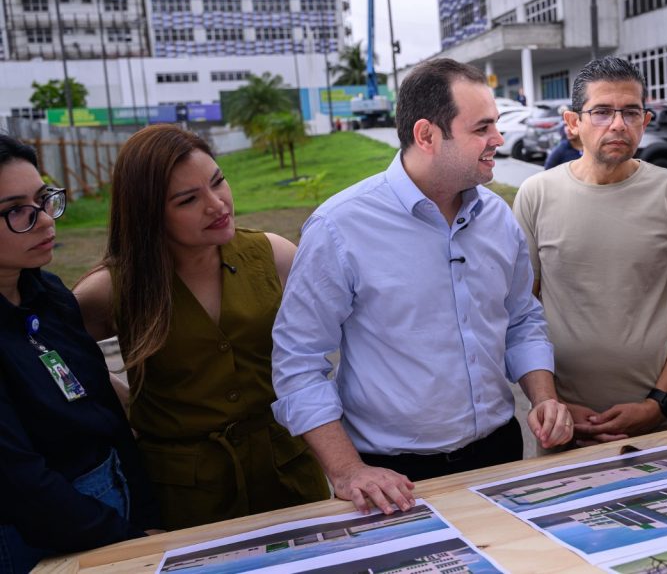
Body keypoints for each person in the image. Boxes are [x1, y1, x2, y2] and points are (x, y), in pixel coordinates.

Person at [271, 58, 572, 515]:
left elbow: (521, 320)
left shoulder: (497, 219)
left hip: (499, 455)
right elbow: (297, 362)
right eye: (482, 128)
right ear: (426, 135)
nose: (499, 139)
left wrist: (544, 397)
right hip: (390, 480)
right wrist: (347, 470)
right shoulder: (340, 228)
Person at [74, 125, 329, 531]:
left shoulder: (274, 254)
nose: (217, 205)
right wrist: (120, 396)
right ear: (147, 212)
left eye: (218, 181)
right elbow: (58, 363)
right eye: (189, 199)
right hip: (186, 493)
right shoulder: (111, 289)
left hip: (288, 473)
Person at [513, 57, 667, 448]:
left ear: (646, 120)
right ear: (573, 122)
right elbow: (523, 312)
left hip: (665, 421)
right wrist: (549, 401)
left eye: (630, 112)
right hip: (566, 426)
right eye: (602, 112)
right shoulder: (536, 195)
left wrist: (659, 403)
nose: (618, 124)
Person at [0, 135, 159, 571]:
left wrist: (145, 514)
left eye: (43, 200)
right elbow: (18, 480)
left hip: (112, 503)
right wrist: (126, 538)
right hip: (34, 537)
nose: (46, 222)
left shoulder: (47, 293)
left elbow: (104, 410)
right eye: (16, 211)